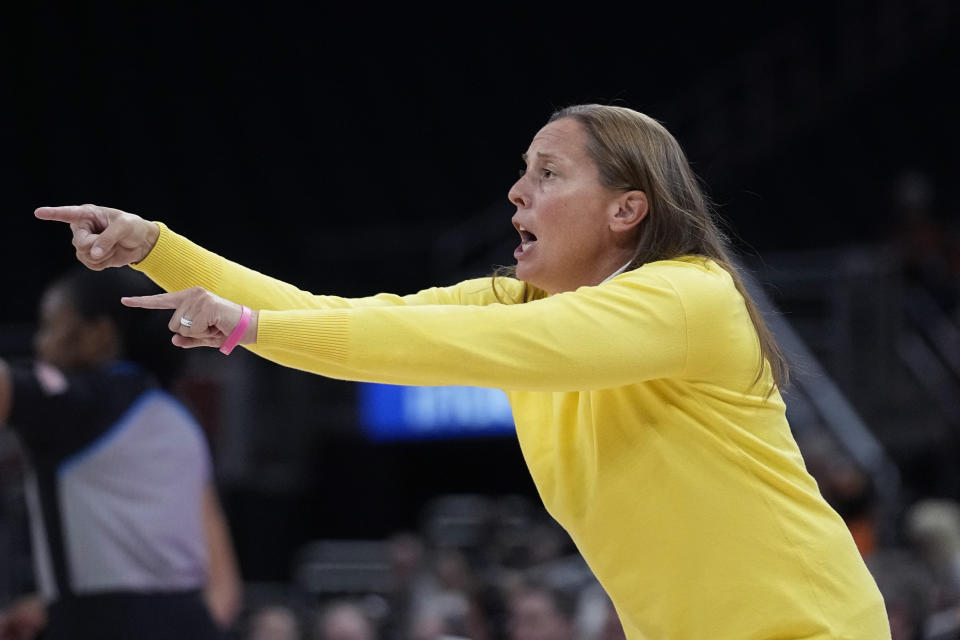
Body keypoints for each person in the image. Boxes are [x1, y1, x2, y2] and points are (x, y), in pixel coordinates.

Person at [34, 103, 891, 638]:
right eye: (520, 174)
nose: (516, 193)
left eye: (547, 175)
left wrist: (246, 328)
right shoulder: (517, 304)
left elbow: (450, 349)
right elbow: (342, 317)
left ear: (628, 210)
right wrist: (158, 248)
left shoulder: (690, 297)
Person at [0, 267, 243, 640]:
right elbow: (224, 590)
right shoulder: (181, 418)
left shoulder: (81, 402)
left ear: (98, 334)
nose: (40, 344)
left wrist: (90, 615)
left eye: (52, 326)